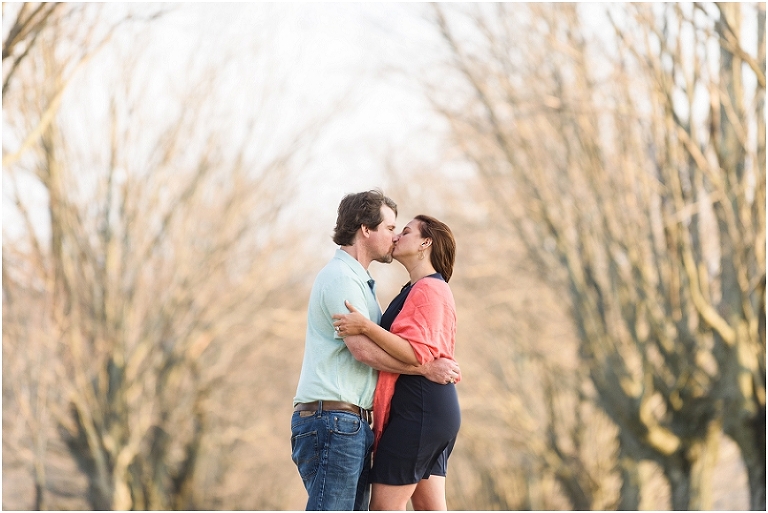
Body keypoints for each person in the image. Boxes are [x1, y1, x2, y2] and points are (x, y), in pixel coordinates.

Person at [291, 191, 461, 511]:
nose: (395, 235)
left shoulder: (369, 284)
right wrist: (424, 367)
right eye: (390, 227)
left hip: (355, 421)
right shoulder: (342, 278)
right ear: (366, 230)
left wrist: (419, 362)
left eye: (402, 229)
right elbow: (363, 351)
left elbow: (405, 343)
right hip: (334, 418)